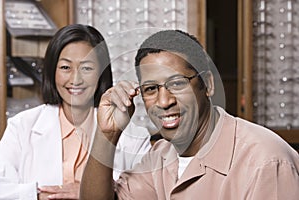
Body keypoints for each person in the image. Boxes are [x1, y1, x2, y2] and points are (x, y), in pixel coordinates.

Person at [80, 29, 299, 200]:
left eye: (177, 83)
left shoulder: (266, 161)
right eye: (150, 89)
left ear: (208, 85)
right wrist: (106, 134)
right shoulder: (161, 156)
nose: (164, 101)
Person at [0, 24, 151, 200]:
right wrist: (39, 195)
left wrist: (92, 192)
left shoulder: (135, 137)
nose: (75, 79)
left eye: (86, 68)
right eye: (65, 68)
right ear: (52, 71)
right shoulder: (22, 126)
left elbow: (148, 192)